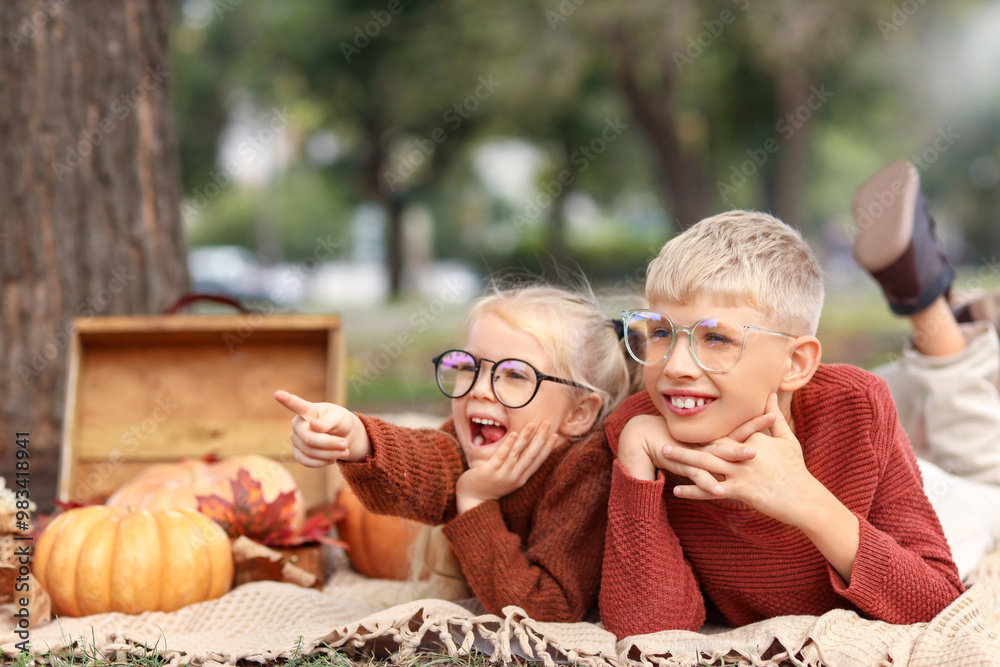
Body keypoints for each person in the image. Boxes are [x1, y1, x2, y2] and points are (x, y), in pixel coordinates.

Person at [599, 209, 965, 639]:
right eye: (661, 333)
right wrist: (635, 461)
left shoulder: (857, 409)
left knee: (970, 442)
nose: (675, 367)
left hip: (957, 508)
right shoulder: (636, 431)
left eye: (716, 338)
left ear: (794, 363)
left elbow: (940, 603)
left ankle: (931, 300)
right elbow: (647, 630)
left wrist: (804, 497)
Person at [275, 281, 635, 623]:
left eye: (514, 375)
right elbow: (426, 461)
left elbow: (545, 610)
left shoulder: (590, 472)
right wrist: (356, 439)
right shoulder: (475, 441)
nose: (479, 389)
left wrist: (476, 501)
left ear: (579, 413)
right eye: (468, 367)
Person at [851, 159, 1000, 582]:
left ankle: (930, 295)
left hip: (876, 421)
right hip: (899, 431)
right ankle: (930, 296)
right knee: (988, 490)